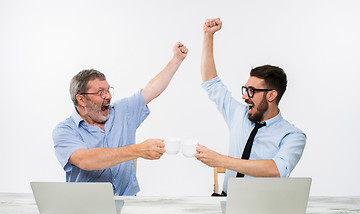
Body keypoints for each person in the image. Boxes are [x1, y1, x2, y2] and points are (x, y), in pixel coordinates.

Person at [53, 42, 188, 196]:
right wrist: (138, 150)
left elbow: (152, 89)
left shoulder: (122, 111)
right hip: (87, 208)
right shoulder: (64, 130)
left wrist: (176, 60)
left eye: (108, 90)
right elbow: (85, 160)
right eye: (100, 92)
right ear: (82, 100)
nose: (108, 96)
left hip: (128, 203)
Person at [195, 18, 306, 196]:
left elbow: (277, 169)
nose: (245, 96)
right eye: (246, 89)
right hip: (226, 200)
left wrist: (222, 160)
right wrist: (208, 36)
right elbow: (211, 82)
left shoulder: (293, 136)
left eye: (252, 91)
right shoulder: (238, 114)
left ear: (271, 95)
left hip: (263, 209)